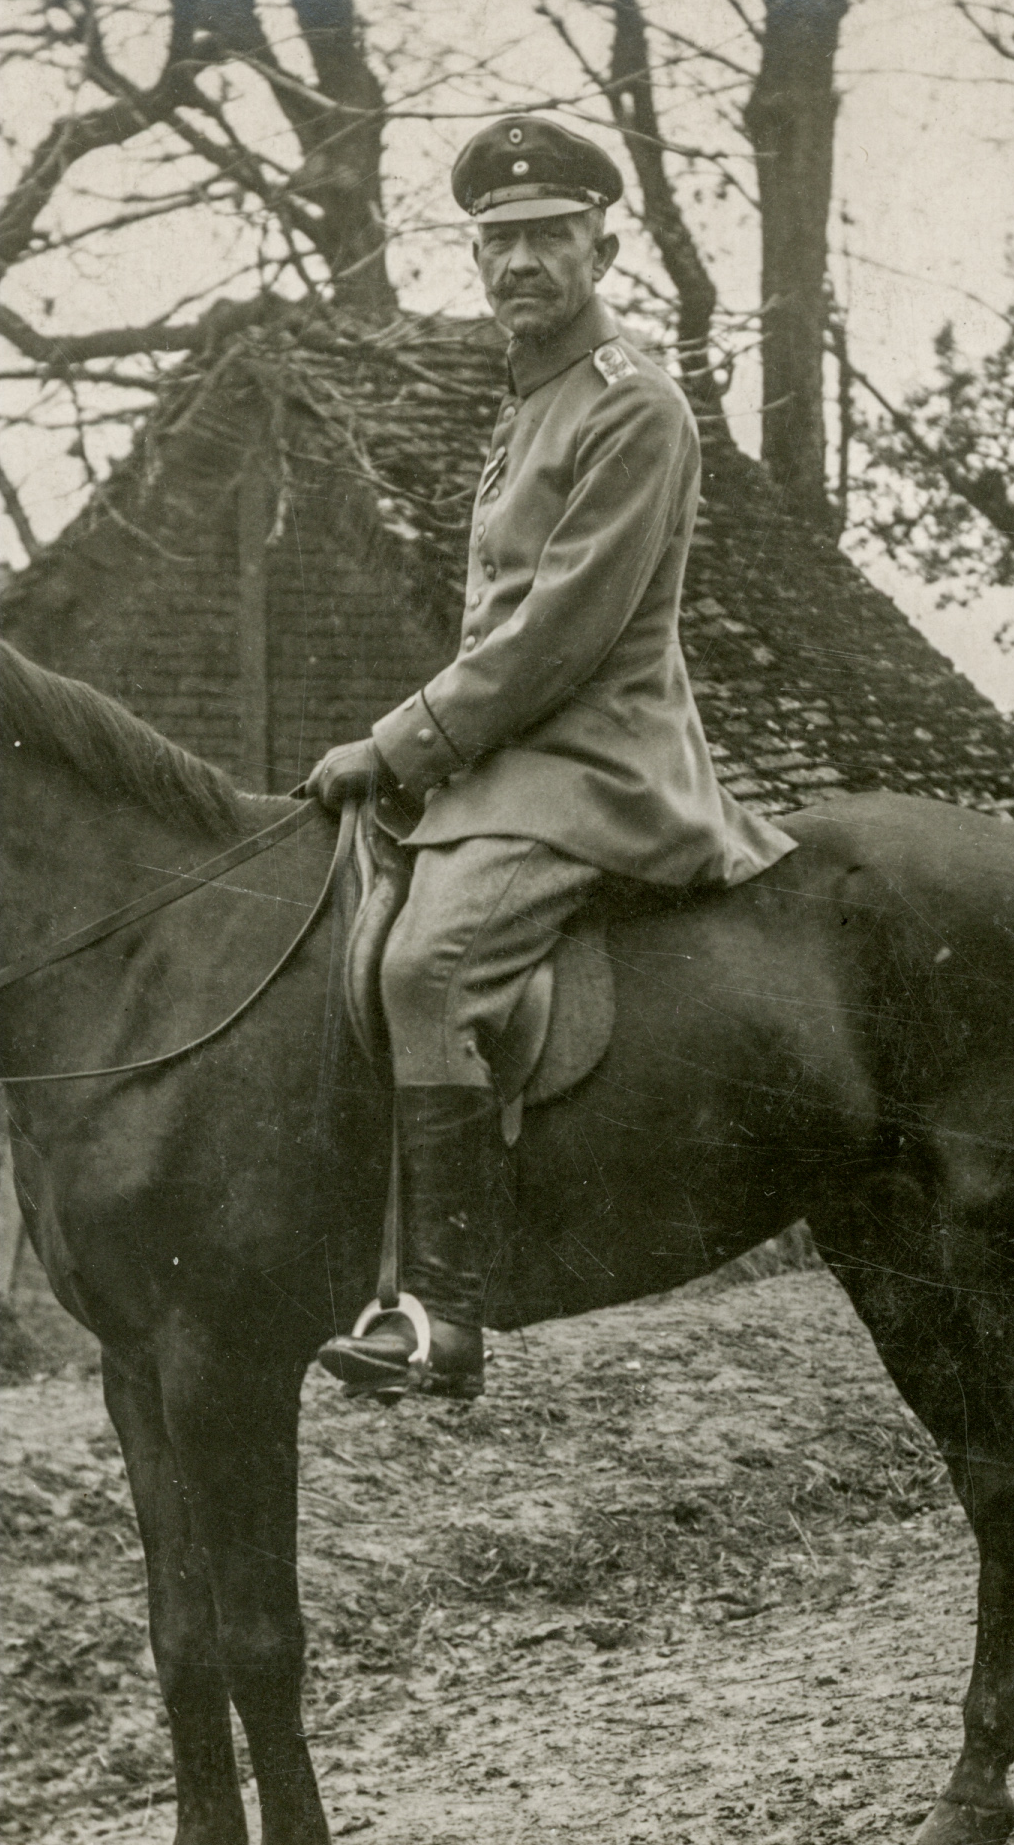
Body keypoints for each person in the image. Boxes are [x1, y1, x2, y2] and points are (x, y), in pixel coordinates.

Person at [302, 112, 795, 1402]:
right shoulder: (533, 402)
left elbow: (558, 636)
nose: (520, 261)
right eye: (498, 241)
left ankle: (443, 1318)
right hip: (509, 763)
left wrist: (397, 744)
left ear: (603, 249)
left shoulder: (635, 407)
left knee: (427, 967)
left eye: (549, 236)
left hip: (596, 763)